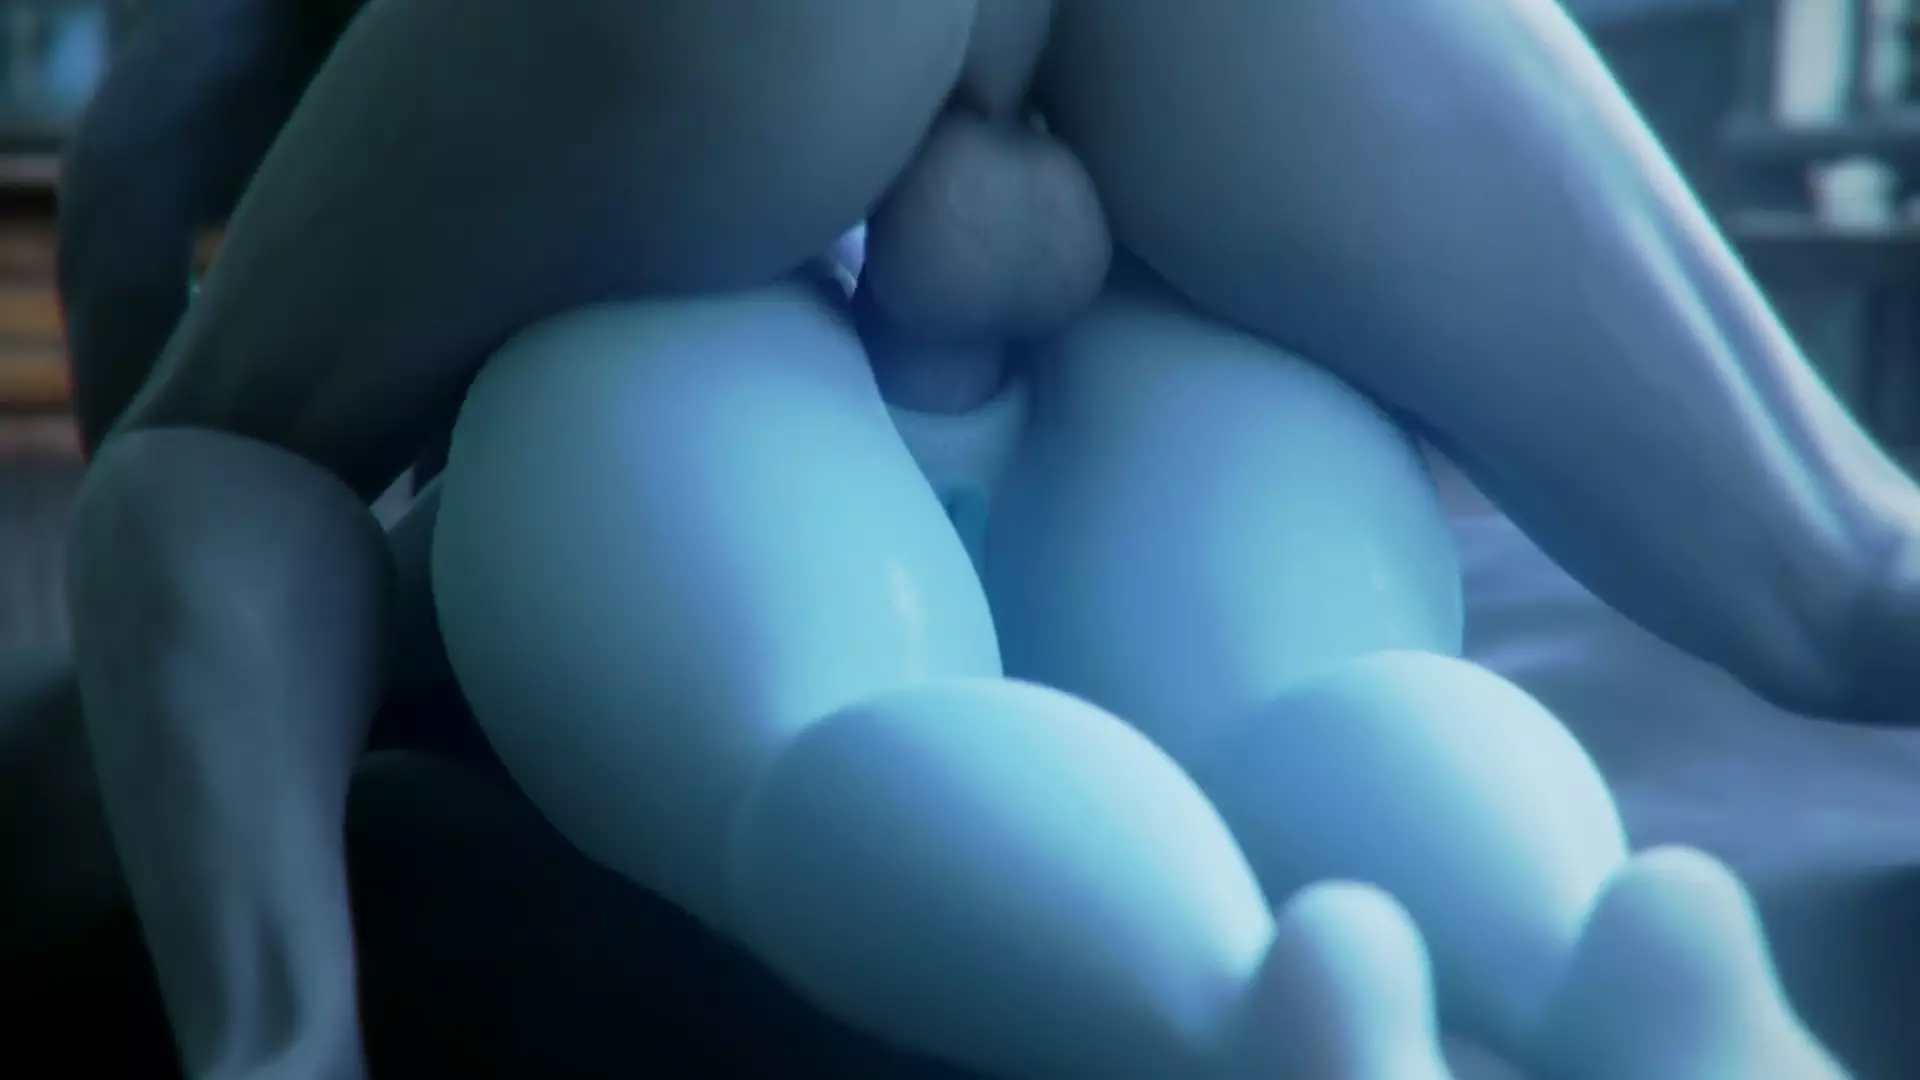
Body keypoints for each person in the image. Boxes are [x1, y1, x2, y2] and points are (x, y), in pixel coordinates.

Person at [47, 0, 1920, 1076]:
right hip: (1163, 291)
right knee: (1831, 570)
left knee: (224, 450)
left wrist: (278, 1031)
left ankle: (1251, 1022)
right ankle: (1616, 962)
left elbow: (143, 205)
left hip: (714, 220)